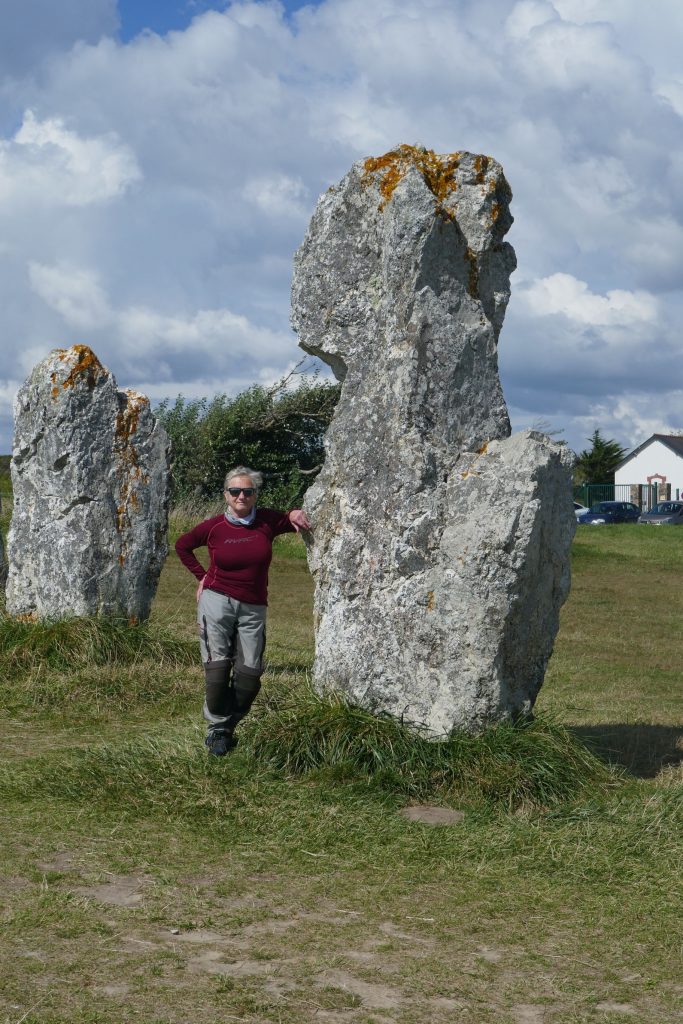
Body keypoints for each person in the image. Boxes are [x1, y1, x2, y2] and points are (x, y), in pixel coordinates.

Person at [175, 466, 311, 756]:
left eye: (247, 491)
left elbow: (290, 518)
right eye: (235, 491)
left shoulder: (266, 521)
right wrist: (201, 576)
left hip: (253, 606)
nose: (241, 496)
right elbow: (182, 545)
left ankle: (230, 721)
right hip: (216, 601)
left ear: (255, 495)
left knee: (250, 673)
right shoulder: (213, 526)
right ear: (226, 494)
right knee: (217, 668)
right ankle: (218, 731)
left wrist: (296, 513)